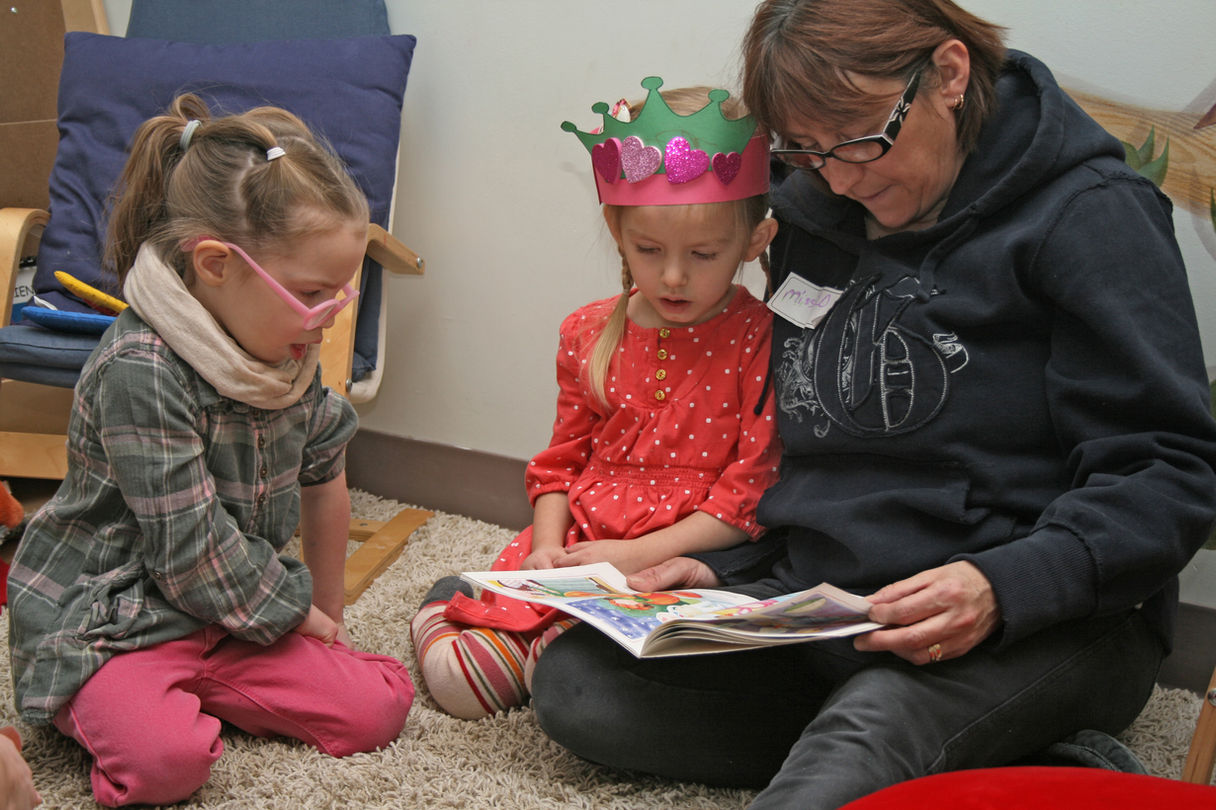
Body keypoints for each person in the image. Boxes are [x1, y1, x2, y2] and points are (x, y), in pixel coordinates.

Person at [529, 2, 1216, 808]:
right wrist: (723, 571)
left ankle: (929, 740)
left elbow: (1169, 473)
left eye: (859, 140)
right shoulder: (811, 205)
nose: (839, 176)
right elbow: (807, 448)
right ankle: (1015, 763)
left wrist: (1002, 586)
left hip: (1032, 612)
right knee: (580, 686)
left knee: (861, 744)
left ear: (949, 76)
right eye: (806, 150)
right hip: (831, 605)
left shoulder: (1091, 215)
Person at [6, 94, 414, 807]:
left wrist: (327, 617)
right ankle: (110, 701)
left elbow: (325, 479)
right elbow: (188, 551)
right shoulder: (141, 368)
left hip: (224, 614)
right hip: (116, 617)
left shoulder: (285, 354)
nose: (327, 320)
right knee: (167, 765)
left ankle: (197, 687)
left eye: (340, 296)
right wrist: (294, 611)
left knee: (379, 706)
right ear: (217, 265)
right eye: (314, 295)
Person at [410, 78, 782, 720]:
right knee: (461, 687)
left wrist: (636, 556)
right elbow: (559, 464)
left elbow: (749, 494)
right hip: (578, 542)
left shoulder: (760, 336)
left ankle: (505, 628)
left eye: (702, 254)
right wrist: (545, 550)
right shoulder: (588, 331)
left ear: (755, 241)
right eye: (648, 250)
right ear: (616, 228)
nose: (672, 276)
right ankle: (453, 608)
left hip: (681, 556)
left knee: (584, 670)